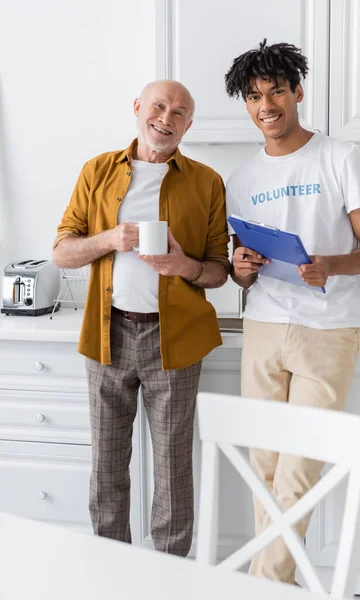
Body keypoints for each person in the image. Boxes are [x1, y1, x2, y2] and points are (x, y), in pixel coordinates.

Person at [224, 40, 360, 584]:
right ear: (246, 106)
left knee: (299, 467)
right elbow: (240, 270)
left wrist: (330, 266)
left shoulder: (342, 157)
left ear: (297, 92)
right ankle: (279, 584)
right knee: (264, 467)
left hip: (327, 329)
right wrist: (241, 265)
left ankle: (260, 585)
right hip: (264, 325)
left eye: (275, 91)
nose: (266, 104)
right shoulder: (241, 180)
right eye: (253, 96)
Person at [52, 80, 230, 556]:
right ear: (138, 108)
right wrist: (110, 239)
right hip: (107, 333)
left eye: (179, 113)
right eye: (159, 106)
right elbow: (62, 253)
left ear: (188, 125)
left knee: (173, 467)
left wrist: (184, 266)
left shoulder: (207, 181)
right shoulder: (97, 171)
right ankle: (113, 571)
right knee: (107, 465)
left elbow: (219, 271)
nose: (166, 119)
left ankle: (169, 577)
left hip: (175, 340)